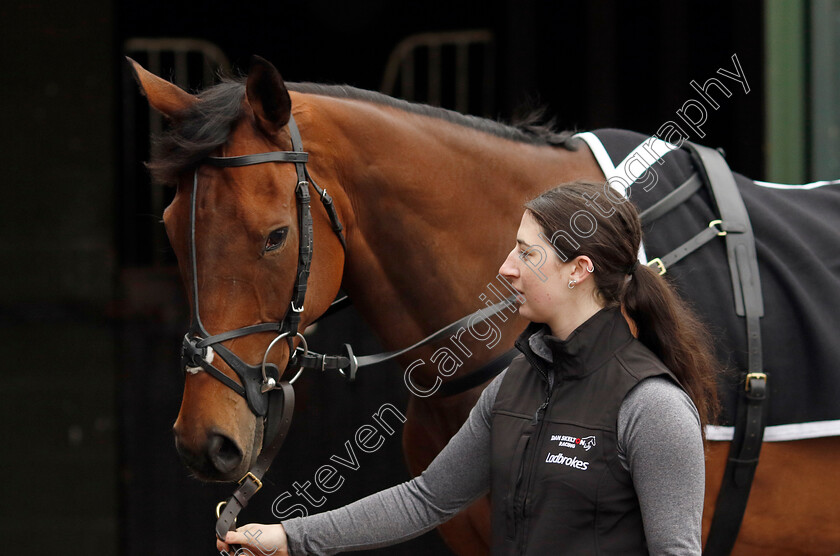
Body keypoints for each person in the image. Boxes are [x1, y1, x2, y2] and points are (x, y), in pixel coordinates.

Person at [217, 180, 720, 555]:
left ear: (579, 270)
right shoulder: (515, 383)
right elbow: (426, 499)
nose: (507, 267)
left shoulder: (652, 406)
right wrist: (288, 537)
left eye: (527, 253)